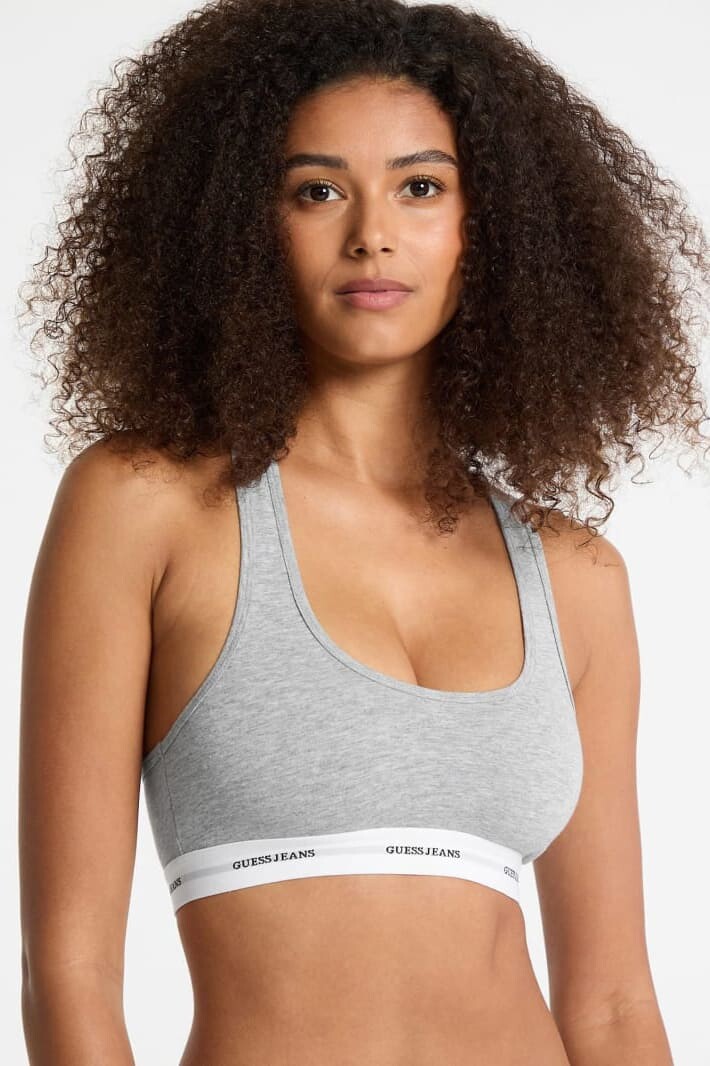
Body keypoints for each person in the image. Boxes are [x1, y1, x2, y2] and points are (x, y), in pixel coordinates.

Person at [18, 0, 708, 1062]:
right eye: (317, 190)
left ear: (492, 227)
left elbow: (613, 1004)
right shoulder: (143, 507)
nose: (371, 233)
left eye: (421, 187)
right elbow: (67, 973)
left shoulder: (575, 575)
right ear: (243, 226)